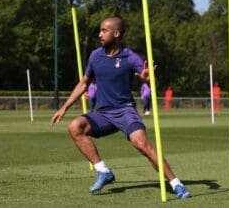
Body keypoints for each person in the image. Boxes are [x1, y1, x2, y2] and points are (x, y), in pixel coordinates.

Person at [50, 17, 190, 199]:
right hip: (102, 113)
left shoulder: (130, 57)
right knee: (74, 127)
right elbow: (84, 83)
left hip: (125, 111)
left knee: (141, 144)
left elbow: (146, 77)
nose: (100, 34)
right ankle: (103, 171)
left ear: (116, 34)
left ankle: (176, 184)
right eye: (100, 30)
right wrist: (64, 108)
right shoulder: (95, 55)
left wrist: (148, 78)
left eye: (104, 30)